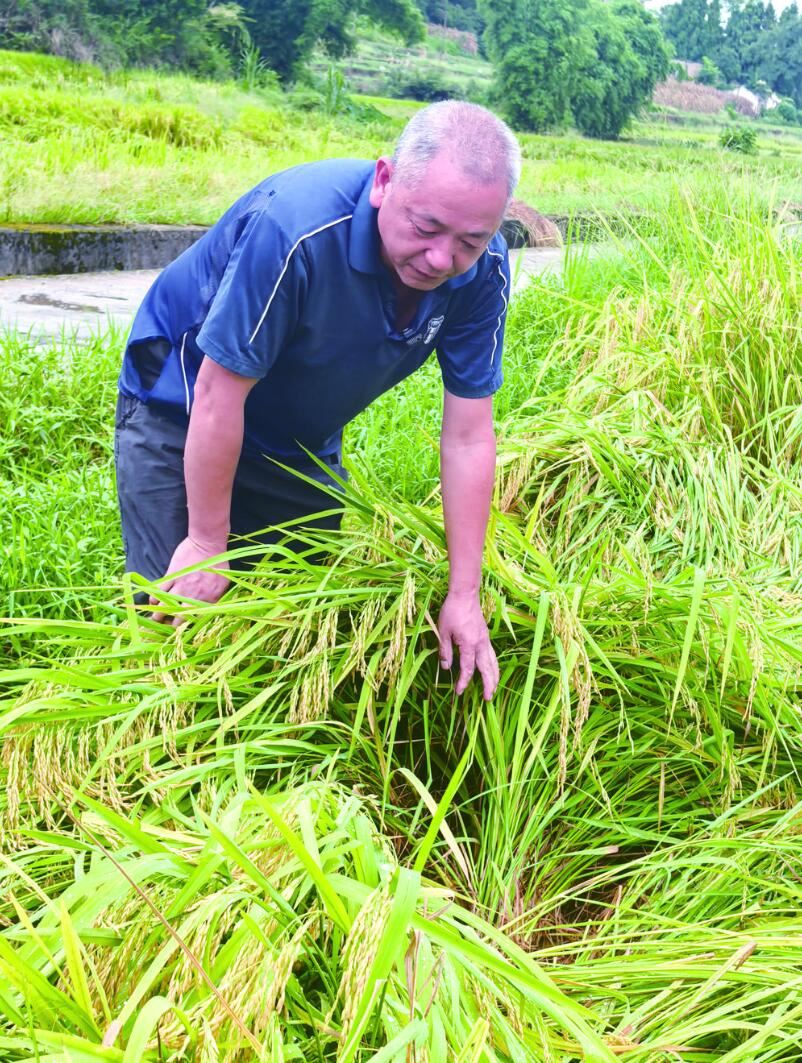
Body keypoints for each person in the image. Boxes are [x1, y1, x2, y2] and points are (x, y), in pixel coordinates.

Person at [115, 100, 521, 701]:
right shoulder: (297, 230)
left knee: (299, 621)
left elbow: (468, 434)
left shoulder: (482, 272)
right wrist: (206, 543)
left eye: (469, 239)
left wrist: (465, 592)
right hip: (184, 409)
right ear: (384, 181)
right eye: (426, 228)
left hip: (297, 436)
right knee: (174, 624)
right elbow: (217, 390)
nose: (442, 260)